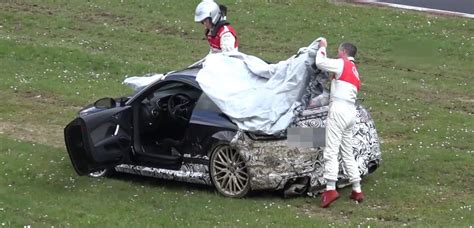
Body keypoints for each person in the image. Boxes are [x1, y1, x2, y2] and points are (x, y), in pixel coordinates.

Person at [315, 38, 364, 208]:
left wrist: (322, 47)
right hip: (350, 112)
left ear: (343, 52)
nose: (337, 54)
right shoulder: (355, 71)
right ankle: (357, 188)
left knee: (331, 150)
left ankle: (330, 189)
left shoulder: (341, 63)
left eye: (338, 51)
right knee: (347, 152)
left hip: (338, 111)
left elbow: (320, 62)